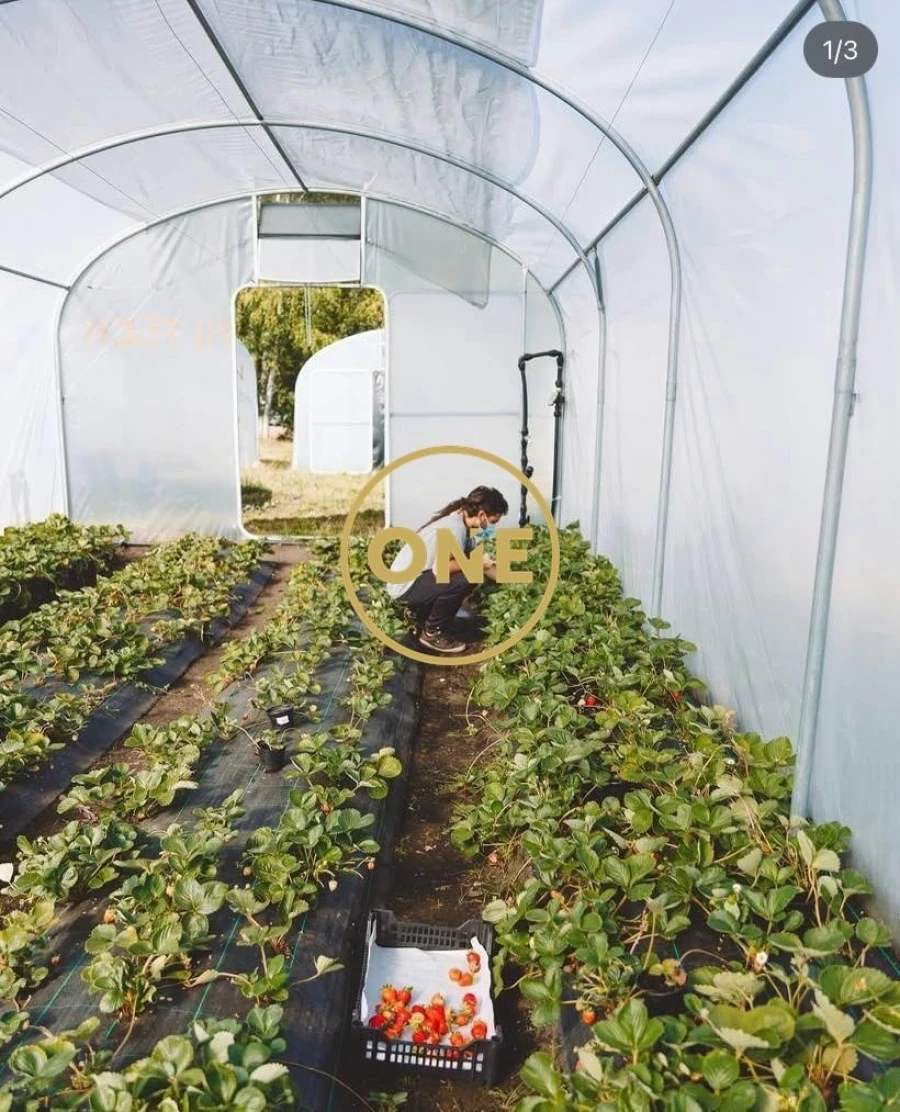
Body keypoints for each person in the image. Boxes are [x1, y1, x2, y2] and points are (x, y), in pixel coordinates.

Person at [385, 486, 509, 654]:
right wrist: (478, 564)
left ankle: (424, 618)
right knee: (467, 577)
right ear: (481, 515)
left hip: (411, 581)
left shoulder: (461, 523)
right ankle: (432, 633)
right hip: (404, 587)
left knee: (468, 570)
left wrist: (508, 579)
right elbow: (441, 568)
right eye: (492, 522)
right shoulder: (456, 528)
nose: (490, 528)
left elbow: (478, 560)